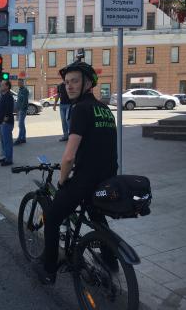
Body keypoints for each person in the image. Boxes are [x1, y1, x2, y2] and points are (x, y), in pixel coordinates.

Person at [33, 61, 118, 284]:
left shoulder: (80, 109)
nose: (69, 87)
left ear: (88, 83)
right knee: (97, 217)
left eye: (75, 81)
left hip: (86, 179)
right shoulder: (105, 109)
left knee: (51, 218)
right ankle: (111, 260)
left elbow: (69, 156)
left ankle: (49, 271)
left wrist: (62, 180)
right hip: (107, 178)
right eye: (66, 82)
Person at [0, 80, 14, 166]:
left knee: (7, 142)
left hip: (6, 123)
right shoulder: (4, 95)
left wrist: (3, 121)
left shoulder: (9, 96)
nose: (1, 86)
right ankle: (6, 157)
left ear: (7, 86)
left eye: (2, 85)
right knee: (3, 142)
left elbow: (8, 110)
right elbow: (1, 109)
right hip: (2, 123)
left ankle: (9, 160)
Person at [14, 78, 29, 145]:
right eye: (18, 82)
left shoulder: (25, 90)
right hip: (19, 110)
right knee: (22, 125)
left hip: (22, 110)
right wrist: (17, 109)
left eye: (20, 82)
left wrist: (21, 109)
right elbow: (19, 101)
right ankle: (23, 138)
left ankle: (20, 139)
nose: (18, 84)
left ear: (23, 83)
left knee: (20, 125)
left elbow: (25, 101)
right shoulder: (19, 90)